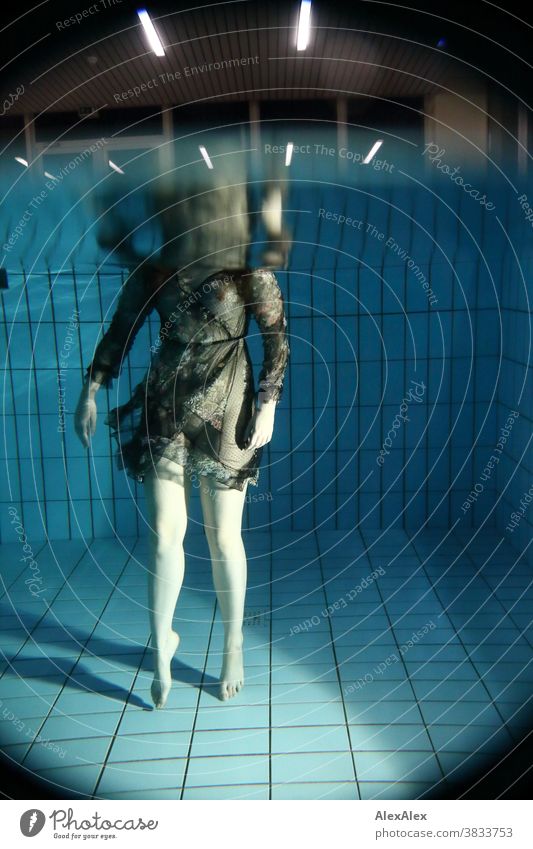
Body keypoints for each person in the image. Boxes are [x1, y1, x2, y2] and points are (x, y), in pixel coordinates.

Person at [74, 259, 290, 706]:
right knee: (165, 534)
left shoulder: (247, 262)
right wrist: (89, 391)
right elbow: (123, 328)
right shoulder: (158, 259)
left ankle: (233, 645)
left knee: (224, 538)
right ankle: (161, 647)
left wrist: (268, 402)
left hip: (229, 398)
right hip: (167, 400)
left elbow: (277, 337)